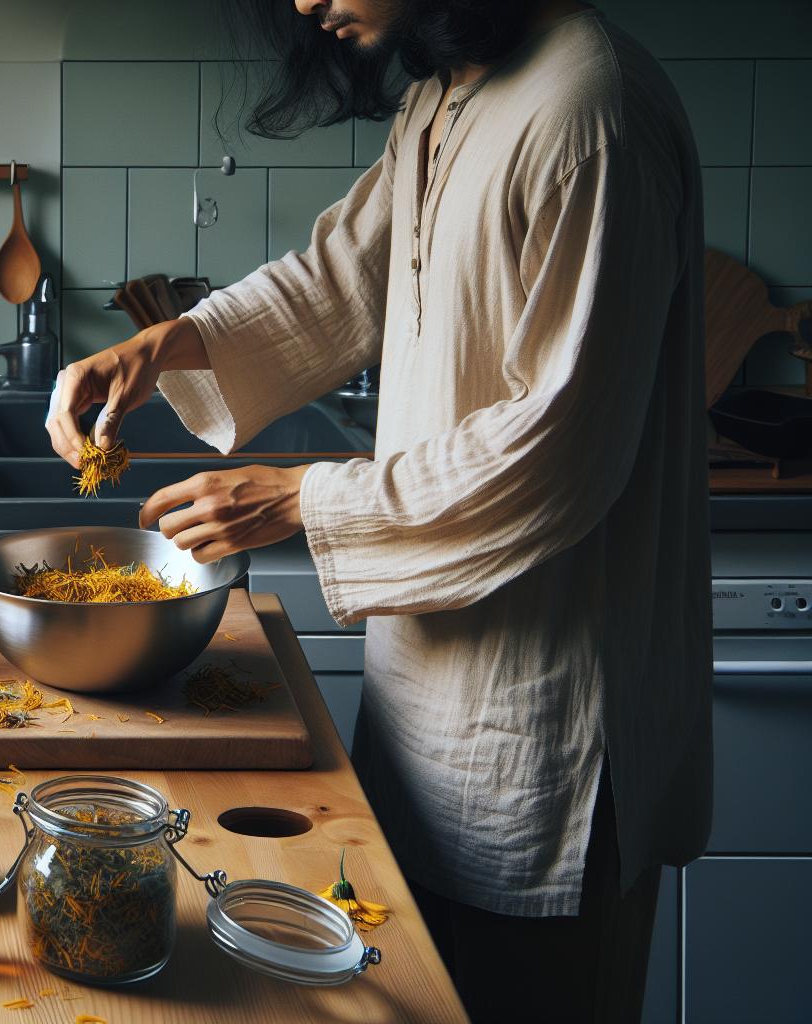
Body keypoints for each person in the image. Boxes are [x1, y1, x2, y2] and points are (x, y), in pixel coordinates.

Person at [45, 2, 711, 1020]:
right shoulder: (449, 93)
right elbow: (342, 281)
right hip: (427, 721)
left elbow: (558, 452)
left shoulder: (588, 111)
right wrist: (164, 343)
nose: (305, 2)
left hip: (546, 746)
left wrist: (301, 494)